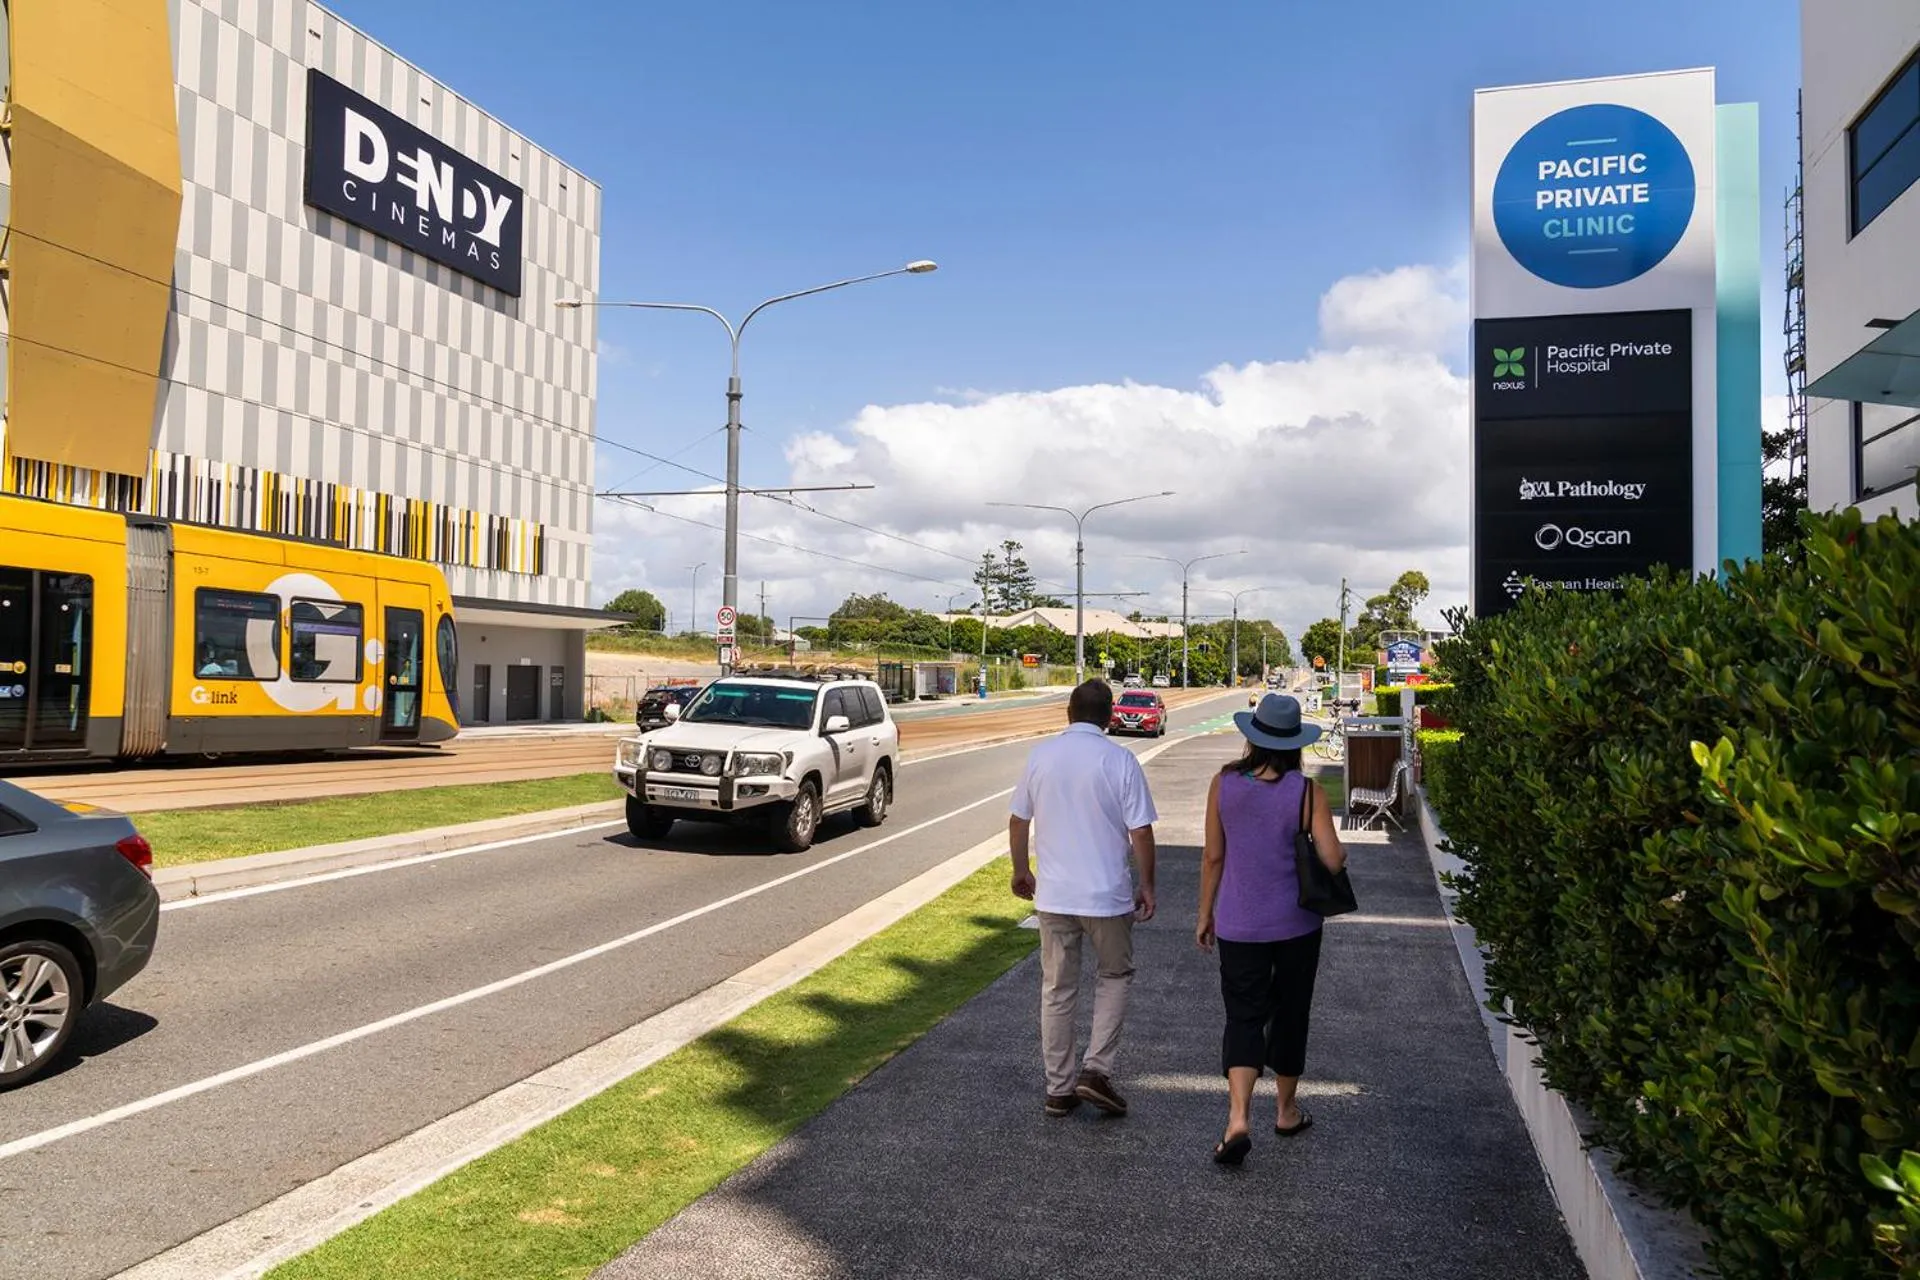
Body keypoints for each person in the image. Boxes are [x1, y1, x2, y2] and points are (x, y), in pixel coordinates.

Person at [1194, 691, 1347, 1165]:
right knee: (1291, 1012)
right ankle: (1285, 1110)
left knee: (1243, 1016)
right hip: (1297, 925)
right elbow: (1331, 858)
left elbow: (1213, 856)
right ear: (1294, 743)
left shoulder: (1224, 784)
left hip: (1240, 924)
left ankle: (1238, 1118)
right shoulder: (1308, 792)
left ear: (1253, 738)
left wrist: (1205, 915)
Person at [1009, 679, 1159, 1119]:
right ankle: (1096, 1070)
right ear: (1111, 715)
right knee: (1114, 975)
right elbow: (1142, 831)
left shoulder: (1041, 757)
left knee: (1057, 989)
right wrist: (1147, 884)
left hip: (1054, 896)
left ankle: (1058, 1088)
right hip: (1107, 895)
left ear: (1068, 713)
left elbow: (1019, 820)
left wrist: (1021, 870)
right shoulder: (1121, 760)